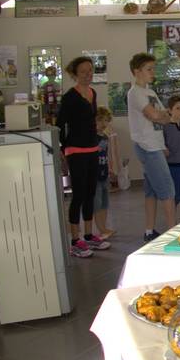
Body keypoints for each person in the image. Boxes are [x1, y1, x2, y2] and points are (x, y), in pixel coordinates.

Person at [57, 56, 111, 258]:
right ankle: (75, 240)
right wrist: (63, 150)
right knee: (78, 195)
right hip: (75, 150)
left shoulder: (92, 93)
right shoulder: (70, 97)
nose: (88, 74)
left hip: (91, 149)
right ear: (75, 75)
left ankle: (89, 235)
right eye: (83, 72)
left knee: (90, 193)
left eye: (90, 70)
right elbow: (60, 124)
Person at [127, 52, 173, 242]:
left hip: (155, 144)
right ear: (136, 71)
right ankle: (173, 233)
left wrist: (161, 115)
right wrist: (161, 114)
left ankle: (149, 229)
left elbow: (165, 119)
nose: (153, 72)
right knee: (167, 190)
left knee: (152, 190)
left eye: (153, 69)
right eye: (149, 69)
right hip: (148, 147)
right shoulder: (135, 93)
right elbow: (155, 116)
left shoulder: (150, 93)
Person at [93, 107, 117, 239]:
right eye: (100, 120)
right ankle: (100, 228)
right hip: (94, 175)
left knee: (104, 203)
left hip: (104, 173)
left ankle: (104, 227)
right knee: (96, 203)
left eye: (106, 121)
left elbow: (107, 155)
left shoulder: (105, 137)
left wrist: (110, 169)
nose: (103, 124)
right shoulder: (91, 137)